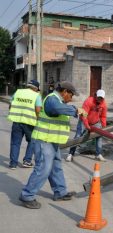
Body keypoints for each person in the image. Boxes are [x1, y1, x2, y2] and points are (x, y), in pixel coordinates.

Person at [19, 81, 87, 209]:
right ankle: (27, 195)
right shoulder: (52, 99)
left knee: (56, 166)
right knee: (43, 168)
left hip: (52, 141)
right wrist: (76, 110)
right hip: (44, 140)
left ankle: (60, 192)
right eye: (71, 95)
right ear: (65, 92)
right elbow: (57, 109)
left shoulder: (58, 101)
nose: (71, 98)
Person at [7, 80, 42, 169]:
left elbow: (11, 105)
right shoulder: (36, 95)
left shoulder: (18, 92)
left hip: (17, 121)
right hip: (29, 122)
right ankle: (27, 161)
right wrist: (39, 121)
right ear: (36, 88)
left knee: (15, 143)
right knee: (32, 141)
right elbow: (38, 110)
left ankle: (13, 164)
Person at [66, 89, 107, 162]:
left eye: (101, 98)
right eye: (99, 97)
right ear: (96, 96)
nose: (100, 99)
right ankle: (70, 154)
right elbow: (84, 115)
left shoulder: (103, 104)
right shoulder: (89, 101)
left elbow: (103, 116)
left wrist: (104, 126)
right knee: (78, 136)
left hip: (95, 122)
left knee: (99, 136)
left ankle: (98, 154)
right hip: (83, 120)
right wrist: (87, 126)